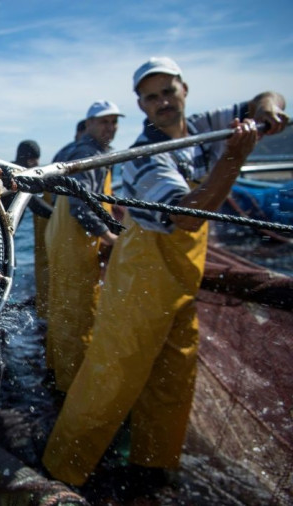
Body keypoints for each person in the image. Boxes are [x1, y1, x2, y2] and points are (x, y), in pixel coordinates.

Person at [42, 56, 288, 495]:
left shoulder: (204, 125)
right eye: (151, 97)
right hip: (142, 276)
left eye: (167, 92)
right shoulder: (144, 158)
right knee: (111, 376)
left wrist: (267, 109)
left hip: (180, 279)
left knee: (174, 373)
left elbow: (260, 99)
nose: (162, 103)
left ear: (185, 90)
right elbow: (188, 219)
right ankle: (63, 472)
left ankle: (152, 470)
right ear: (141, 105)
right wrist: (233, 158)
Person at [43, 101, 122, 394]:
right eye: (104, 122)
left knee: (61, 308)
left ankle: (55, 370)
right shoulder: (89, 154)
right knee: (79, 315)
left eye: (114, 122)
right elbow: (81, 205)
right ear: (88, 124)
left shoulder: (72, 150)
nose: (110, 128)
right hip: (76, 241)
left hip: (61, 236)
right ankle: (73, 387)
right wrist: (109, 237)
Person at [33, 120, 86, 323]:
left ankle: (45, 311)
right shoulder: (78, 153)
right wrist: (58, 217)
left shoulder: (64, 153)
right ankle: (47, 315)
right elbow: (40, 203)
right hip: (57, 222)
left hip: (48, 225)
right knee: (54, 271)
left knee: (48, 268)